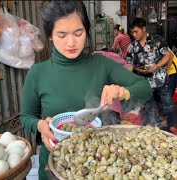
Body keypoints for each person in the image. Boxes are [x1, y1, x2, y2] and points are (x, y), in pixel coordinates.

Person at [20, 2, 152, 179]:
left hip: (98, 164)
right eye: (61, 35)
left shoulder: (101, 64)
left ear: (87, 31)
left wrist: (123, 92)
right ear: (50, 35)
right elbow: (26, 116)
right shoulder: (38, 73)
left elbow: (144, 87)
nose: (71, 42)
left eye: (78, 33)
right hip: (55, 163)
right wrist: (40, 125)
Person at [126, 17, 174, 130]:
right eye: (132, 32)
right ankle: (153, 128)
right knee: (148, 106)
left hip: (160, 79)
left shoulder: (157, 40)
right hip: (144, 82)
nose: (134, 34)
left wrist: (158, 66)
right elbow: (129, 65)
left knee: (166, 105)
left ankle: (163, 121)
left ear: (143, 29)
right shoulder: (132, 47)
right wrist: (127, 79)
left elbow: (168, 55)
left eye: (136, 31)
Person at [166, 49, 177, 137]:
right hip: (165, 72)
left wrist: (166, 72)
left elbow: (170, 55)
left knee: (168, 97)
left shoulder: (155, 42)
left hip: (173, 71)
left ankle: (171, 126)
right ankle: (163, 117)